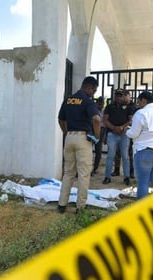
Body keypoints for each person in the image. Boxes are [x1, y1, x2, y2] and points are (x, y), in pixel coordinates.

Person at [57, 76, 101, 214]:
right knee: (83, 173)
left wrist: (66, 133)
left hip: (69, 137)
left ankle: (62, 204)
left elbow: (60, 119)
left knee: (68, 173)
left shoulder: (68, 99)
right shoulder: (88, 101)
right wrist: (97, 136)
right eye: (93, 90)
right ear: (89, 87)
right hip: (83, 139)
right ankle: (80, 206)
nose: (93, 93)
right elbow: (96, 119)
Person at [103, 88, 135, 185]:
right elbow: (105, 120)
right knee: (110, 156)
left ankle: (126, 177)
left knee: (125, 156)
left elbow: (130, 120)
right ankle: (107, 177)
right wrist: (114, 128)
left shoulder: (128, 107)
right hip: (112, 134)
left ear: (123, 96)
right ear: (115, 96)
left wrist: (121, 127)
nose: (118, 97)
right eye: (117, 95)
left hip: (124, 134)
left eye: (120, 95)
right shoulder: (109, 106)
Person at [92, 96, 106, 175]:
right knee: (88, 149)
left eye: (102, 104)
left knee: (98, 150)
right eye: (99, 104)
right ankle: (89, 167)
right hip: (93, 130)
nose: (101, 106)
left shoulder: (104, 111)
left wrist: (104, 136)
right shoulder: (93, 111)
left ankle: (95, 168)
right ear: (97, 104)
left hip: (102, 130)